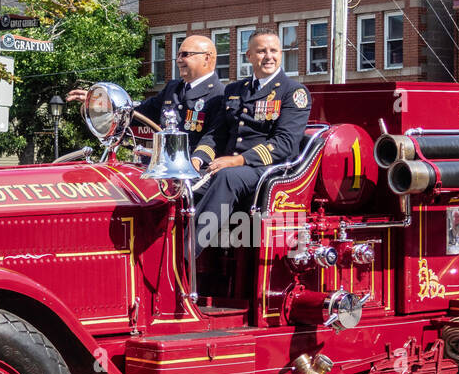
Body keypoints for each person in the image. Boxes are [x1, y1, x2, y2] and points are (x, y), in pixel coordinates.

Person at [193, 30, 311, 237]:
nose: (268, 56)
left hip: (268, 169)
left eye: (274, 51)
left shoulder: (293, 92)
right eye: (261, 51)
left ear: (281, 54)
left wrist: (238, 161)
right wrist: (197, 159)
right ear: (248, 56)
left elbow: (284, 143)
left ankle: (183, 259)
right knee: (185, 183)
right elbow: (216, 134)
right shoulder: (234, 90)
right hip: (227, 167)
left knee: (227, 178)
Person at [69, 34, 226, 168]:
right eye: (177, 55)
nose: (178, 60)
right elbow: (138, 114)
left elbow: (214, 137)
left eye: (185, 54)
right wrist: (101, 104)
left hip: (194, 169)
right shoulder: (173, 88)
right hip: (158, 164)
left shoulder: (220, 94)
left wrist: (197, 160)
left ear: (206, 58)